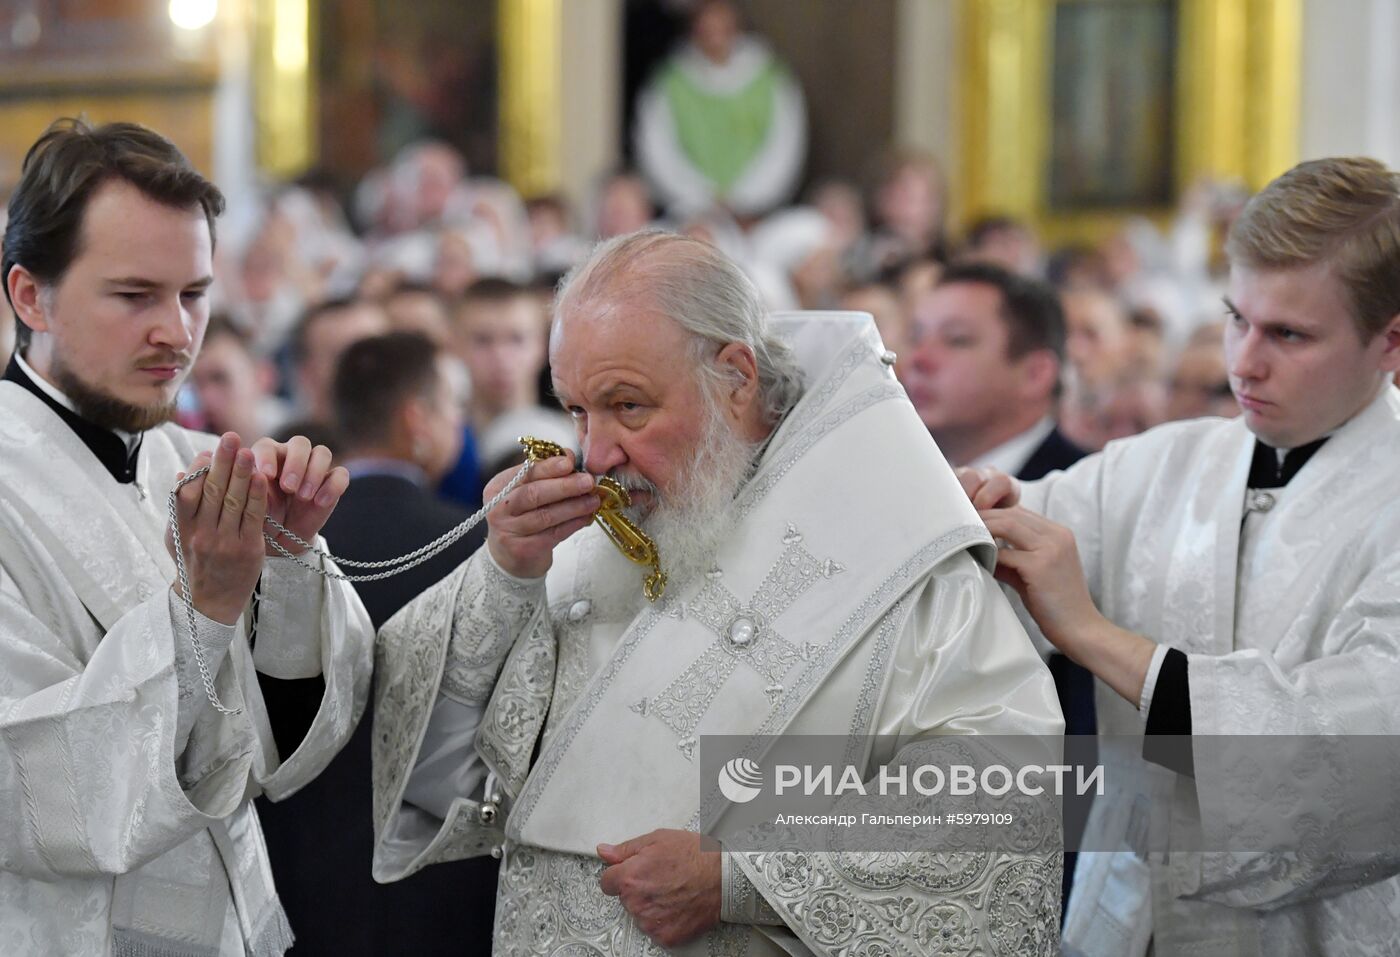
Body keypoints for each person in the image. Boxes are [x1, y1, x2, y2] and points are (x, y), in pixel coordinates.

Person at [370, 231, 1064, 954]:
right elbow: (435, 758)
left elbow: (1004, 790)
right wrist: (506, 570)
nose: (597, 451)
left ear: (736, 378)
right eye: (577, 410)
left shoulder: (894, 554)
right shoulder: (575, 548)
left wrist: (743, 873)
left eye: (628, 406)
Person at [959, 157, 1400, 955]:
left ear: (1392, 341)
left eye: (1288, 334)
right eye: (1237, 318)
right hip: (1121, 916)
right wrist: (961, 509)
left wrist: (1091, 634)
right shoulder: (1165, 462)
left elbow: (1355, 761)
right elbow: (997, 545)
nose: (1245, 361)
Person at [0, 118, 373, 955]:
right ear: (31, 296)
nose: (177, 332)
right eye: (134, 296)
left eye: (195, 293)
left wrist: (284, 567)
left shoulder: (201, 461)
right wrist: (201, 607)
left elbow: (284, 754)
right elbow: (27, 785)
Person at [256, 332, 494, 956]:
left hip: (296, 880)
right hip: (445, 888)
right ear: (416, 418)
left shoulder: (273, 550)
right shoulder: (477, 547)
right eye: (453, 407)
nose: (460, 425)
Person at [904, 262, 1087, 480]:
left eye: (957, 339)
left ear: (1035, 374)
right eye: (915, 338)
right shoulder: (904, 478)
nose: (918, 359)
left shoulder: (1082, 494)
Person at [633, 0, 807, 218]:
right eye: (707, 29)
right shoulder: (670, 81)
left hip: (757, 216)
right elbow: (658, 150)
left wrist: (746, 198)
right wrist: (700, 198)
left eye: (722, 27)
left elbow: (783, 144)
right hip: (689, 215)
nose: (715, 37)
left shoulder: (769, 76)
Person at [439, 277, 572, 508]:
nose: (501, 357)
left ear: (543, 346)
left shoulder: (574, 437)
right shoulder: (439, 449)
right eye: (482, 340)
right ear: (454, 345)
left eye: (516, 339)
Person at [190, 314, 290, 443]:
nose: (206, 398)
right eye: (197, 383)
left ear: (263, 377)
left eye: (220, 379)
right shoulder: (188, 449)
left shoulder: (303, 444)